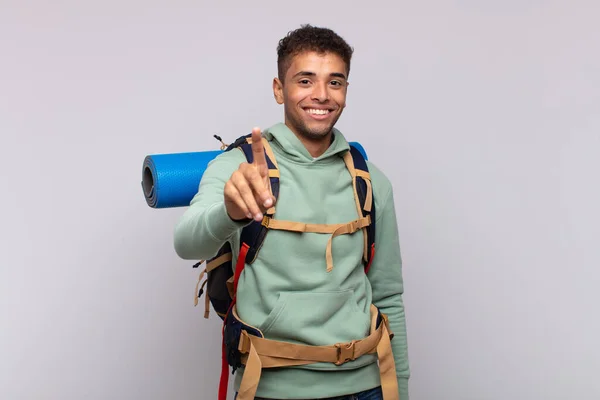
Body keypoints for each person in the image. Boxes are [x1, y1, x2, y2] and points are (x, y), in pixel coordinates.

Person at [174, 24, 410, 400]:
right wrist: (230, 212)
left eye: (335, 82)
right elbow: (185, 241)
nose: (321, 95)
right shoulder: (239, 167)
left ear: (346, 91)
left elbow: (388, 296)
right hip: (272, 388)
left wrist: (401, 391)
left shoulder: (370, 180)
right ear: (278, 89)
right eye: (305, 80)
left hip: (367, 386)